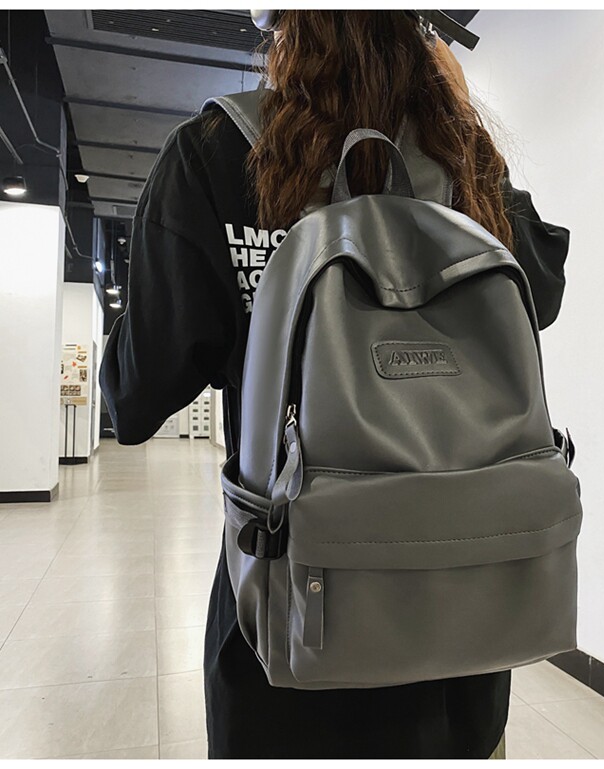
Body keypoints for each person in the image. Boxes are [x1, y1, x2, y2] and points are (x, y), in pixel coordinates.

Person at [100, 10, 570, 759]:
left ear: (280, 29)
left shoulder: (215, 153)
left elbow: (135, 397)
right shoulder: (458, 155)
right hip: (463, 634)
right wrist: (461, 122)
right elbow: (538, 295)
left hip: (288, 637)